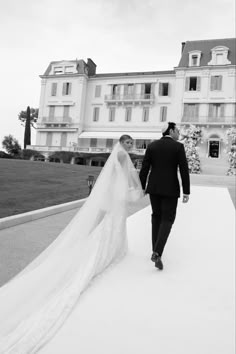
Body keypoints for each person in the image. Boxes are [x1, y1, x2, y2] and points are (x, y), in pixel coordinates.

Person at [0, 135, 143, 353]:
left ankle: (109, 248)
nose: (131, 146)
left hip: (112, 193)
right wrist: (134, 187)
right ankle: (108, 251)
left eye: (132, 143)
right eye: (129, 143)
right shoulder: (123, 156)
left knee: (110, 223)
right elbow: (125, 176)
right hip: (116, 195)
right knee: (112, 223)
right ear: (122, 143)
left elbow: (114, 176)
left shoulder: (117, 154)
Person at [139, 122, 190, 270]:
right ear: (171, 131)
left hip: (153, 188)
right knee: (167, 219)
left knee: (156, 216)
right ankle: (157, 252)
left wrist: (142, 186)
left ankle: (155, 249)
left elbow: (145, 168)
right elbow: (184, 170)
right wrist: (186, 190)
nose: (179, 133)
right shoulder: (178, 147)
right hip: (170, 188)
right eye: (177, 130)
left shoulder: (152, 146)